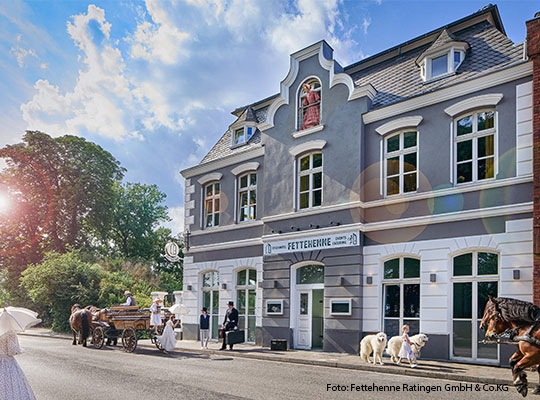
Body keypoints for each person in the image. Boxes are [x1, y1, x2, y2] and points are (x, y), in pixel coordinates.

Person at [0, 331, 36, 400]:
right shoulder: (9, 331)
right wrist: (20, 350)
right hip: (7, 362)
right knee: (11, 386)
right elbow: (12, 351)